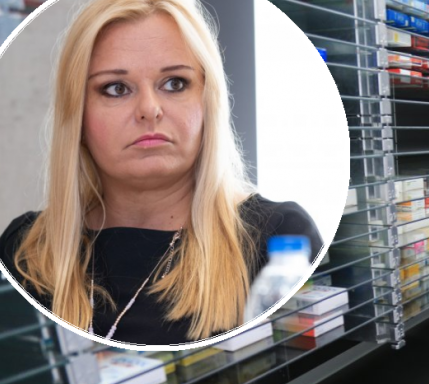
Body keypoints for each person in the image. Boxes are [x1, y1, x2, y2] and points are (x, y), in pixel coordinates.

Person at [0, 0, 321, 346]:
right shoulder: (24, 251)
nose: (149, 109)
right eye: (116, 88)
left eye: (175, 83)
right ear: (77, 114)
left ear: (208, 100)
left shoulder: (280, 242)